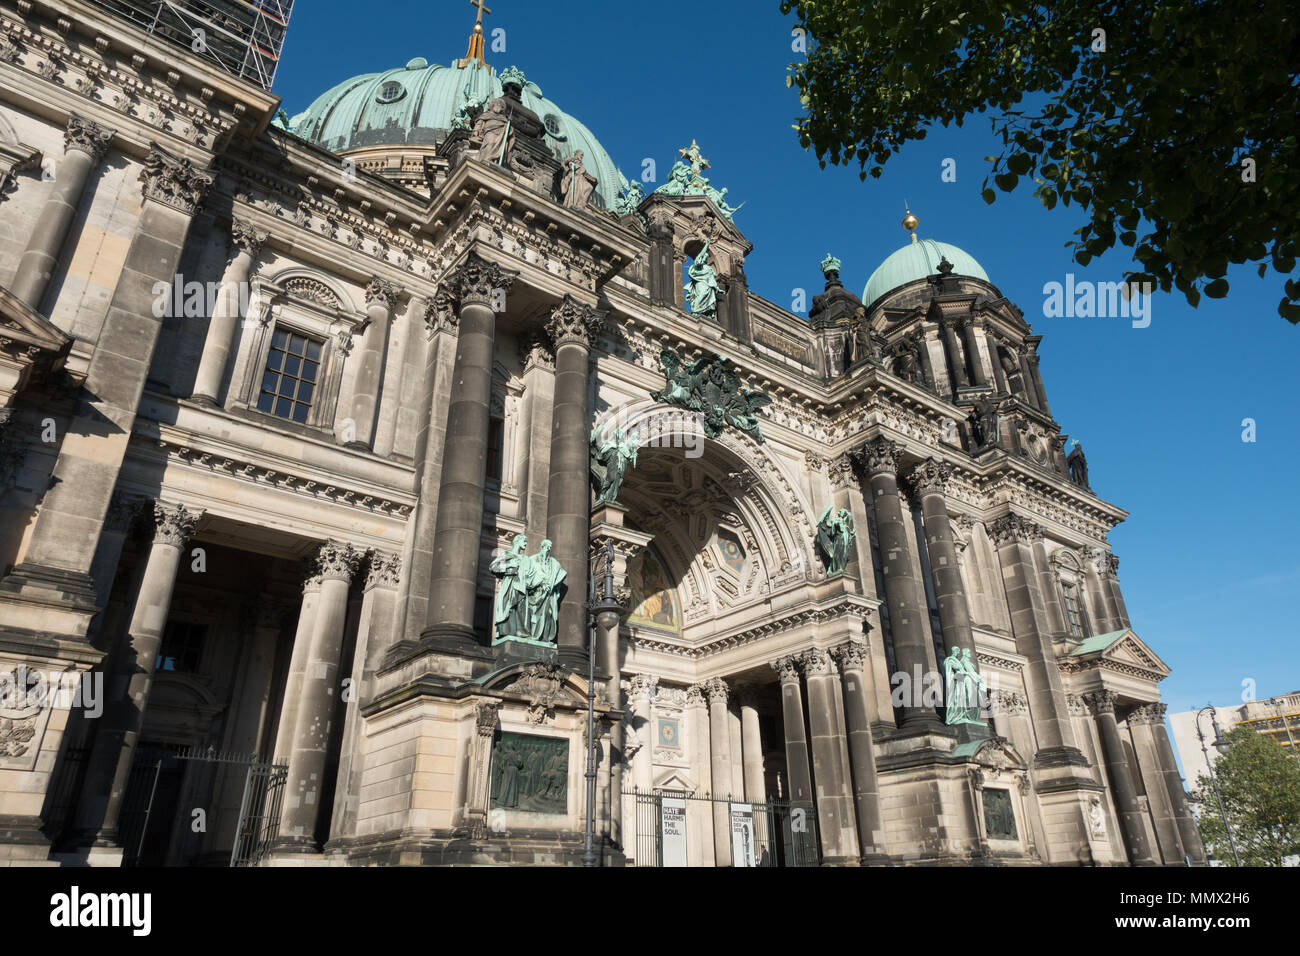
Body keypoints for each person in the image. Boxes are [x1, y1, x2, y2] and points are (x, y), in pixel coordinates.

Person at [523, 539, 566, 643]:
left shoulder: (554, 563)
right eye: (546, 546)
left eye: (550, 547)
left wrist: (552, 585)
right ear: (541, 547)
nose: (548, 548)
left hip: (548, 595)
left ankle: (544, 638)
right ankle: (533, 636)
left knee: (548, 615)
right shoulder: (532, 559)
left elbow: (562, 573)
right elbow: (527, 576)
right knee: (533, 615)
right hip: (535, 593)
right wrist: (541, 583)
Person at [489, 534, 528, 640]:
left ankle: (519, 630)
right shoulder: (507, 554)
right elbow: (493, 567)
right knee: (508, 606)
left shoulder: (525, 558)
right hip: (509, 584)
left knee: (520, 608)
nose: (526, 543)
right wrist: (509, 565)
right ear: (517, 541)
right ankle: (506, 630)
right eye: (524, 541)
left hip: (521, 586)